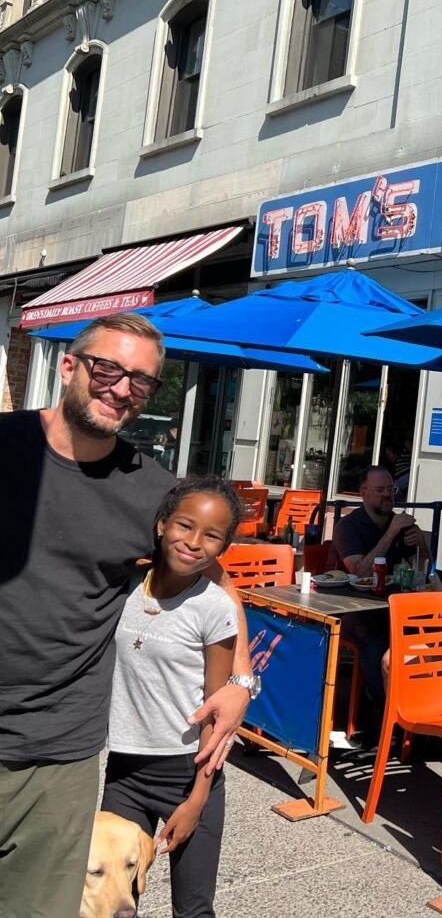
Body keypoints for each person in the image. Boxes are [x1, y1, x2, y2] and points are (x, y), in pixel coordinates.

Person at [0, 313, 252, 918]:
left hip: (56, 748)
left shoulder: (151, 492)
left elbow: (216, 576)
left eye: (141, 381)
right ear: (68, 367)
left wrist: (240, 680)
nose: (121, 388)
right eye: (107, 368)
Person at [102, 476, 242, 918]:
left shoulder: (213, 608)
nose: (194, 541)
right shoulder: (124, 586)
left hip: (187, 772)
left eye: (212, 535)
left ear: (223, 547)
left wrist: (198, 797)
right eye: (184, 525)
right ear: (162, 524)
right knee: (115, 901)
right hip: (124, 770)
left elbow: (215, 710)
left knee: (193, 908)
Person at [326, 466, 430, 711]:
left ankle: (419, 707)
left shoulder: (400, 524)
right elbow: (359, 571)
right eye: (380, 490)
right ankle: (383, 715)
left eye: (390, 490)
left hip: (389, 606)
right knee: (376, 640)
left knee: (424, 635)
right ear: (363, 493)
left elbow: (421, 568)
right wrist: (390, 533)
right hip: (348, 608)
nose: (387, 495)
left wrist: (421, 545)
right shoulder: (348, 526)